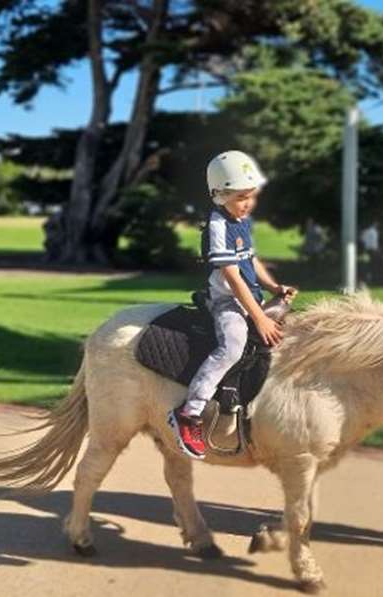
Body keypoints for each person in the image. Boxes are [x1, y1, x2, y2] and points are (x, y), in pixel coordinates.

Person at [167, 150, 298, 459]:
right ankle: (189, 412)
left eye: (251, 196)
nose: (248, 204)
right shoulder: (217, 225)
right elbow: (233, 277)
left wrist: (274, 286)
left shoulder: (241, 220)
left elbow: (250, 259)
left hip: (251, 297)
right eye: (242, 197)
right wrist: (260, 318)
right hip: (226, 301)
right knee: (233, 345)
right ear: (220, 194)